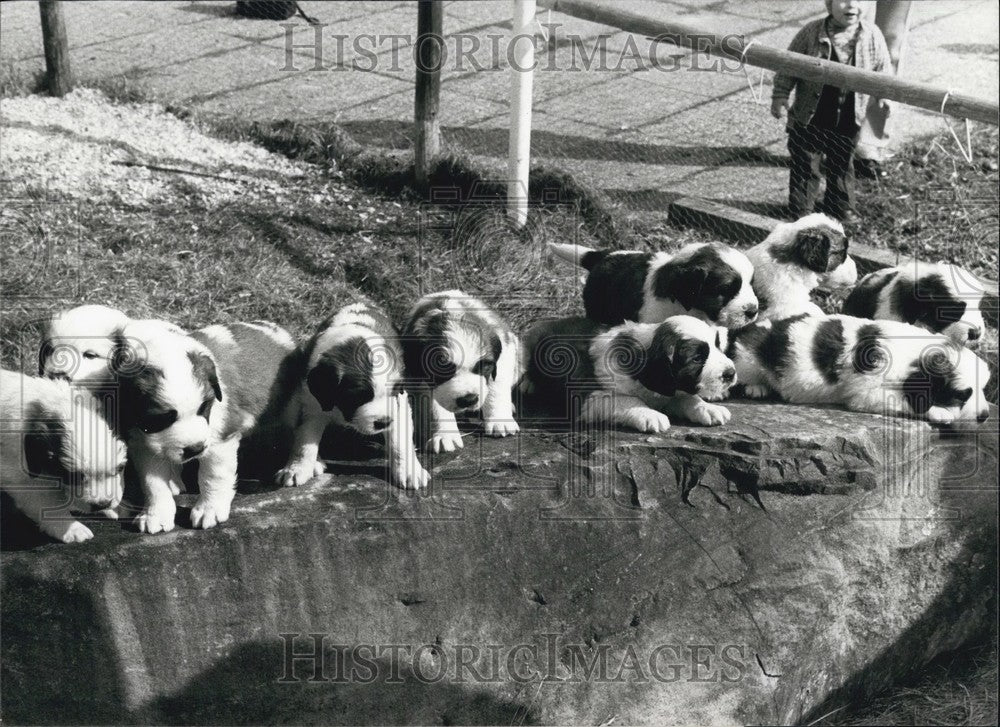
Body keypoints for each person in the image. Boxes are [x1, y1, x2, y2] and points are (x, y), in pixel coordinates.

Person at [771, 0, 893, 223]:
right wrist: (780, 94)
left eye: (859, 0)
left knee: (842, 163)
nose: (852, 6)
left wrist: (883, 94)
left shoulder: (872, 35)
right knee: (805, 163)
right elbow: (789, 65)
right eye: (843, 0)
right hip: (811, 117)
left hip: (849, 117)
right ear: (829, 4)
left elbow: (882, 69)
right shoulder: (811, 33)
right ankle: (801, 208)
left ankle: (840, 205)